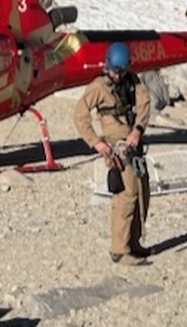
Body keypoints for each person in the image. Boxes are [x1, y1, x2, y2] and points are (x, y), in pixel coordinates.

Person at [73, 42, 152, 266]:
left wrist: (138, 129)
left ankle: (134, 242)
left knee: (141, 192)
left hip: (134, 144)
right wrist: (96, 143)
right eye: (115, 71)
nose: (117, 76)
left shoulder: (132, 81)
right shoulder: (99, 86)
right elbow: (80, 115)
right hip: (116, 147)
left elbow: (144, 102)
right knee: (126, 196)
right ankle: (120, 249)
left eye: (121, 71)